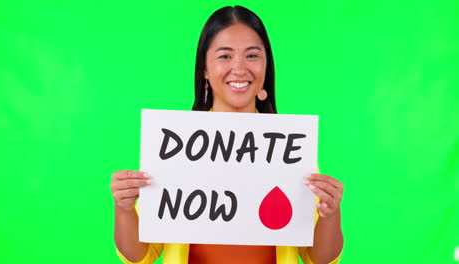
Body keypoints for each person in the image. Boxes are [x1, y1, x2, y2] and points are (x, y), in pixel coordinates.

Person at [111, 5, 344, 264]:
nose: (240, 68)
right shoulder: (175, 146)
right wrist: (124, 208)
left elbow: (319, 259)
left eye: (252, 56)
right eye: (225, 56)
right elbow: (141, 255)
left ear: (266, 66)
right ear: (205, 70)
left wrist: (330, 215)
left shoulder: (289, 150)